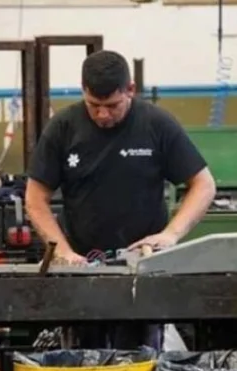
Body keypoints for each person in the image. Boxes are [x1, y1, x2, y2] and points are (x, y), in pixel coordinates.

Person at [25, 50, 217, 349]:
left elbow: (203, 185)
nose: (103, 115)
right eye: (94, 105)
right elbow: (35, 198)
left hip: (143, 272)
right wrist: (62, 251)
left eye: (112, 106)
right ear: (83, 90)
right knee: (82, 362)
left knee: (141, 359)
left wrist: (170, 235)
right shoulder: (63, 128)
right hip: (82, 273)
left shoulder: (157, 124)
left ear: (130, 89)